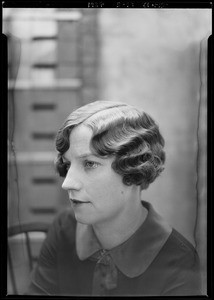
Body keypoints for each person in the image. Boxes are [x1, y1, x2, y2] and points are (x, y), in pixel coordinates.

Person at [26, 100, 202, 296]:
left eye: (90, 164)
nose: (67, 183)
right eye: (68, 165)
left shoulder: (178, 259)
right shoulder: (64, 227)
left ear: (135, 168)